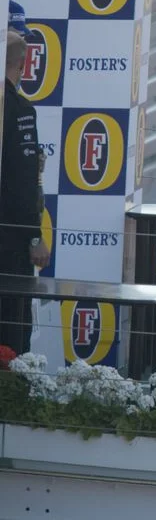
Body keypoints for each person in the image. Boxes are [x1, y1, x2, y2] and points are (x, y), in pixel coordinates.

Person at [1, 30, 48, 354]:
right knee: (12, 322)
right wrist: (34, 236)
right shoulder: (18, 109)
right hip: (10, 238)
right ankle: (14, 397)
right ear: (24, 63)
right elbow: (22, 180)